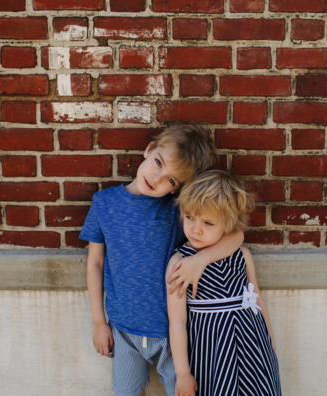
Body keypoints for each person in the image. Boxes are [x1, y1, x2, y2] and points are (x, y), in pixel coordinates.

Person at [80, 125, 243, 396]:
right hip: (123, 328)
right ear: (149, 149)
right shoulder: (104, 203)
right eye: (158, 163)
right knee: (127, 392)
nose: (157, 178)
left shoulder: (177, 210)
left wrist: (200, 260)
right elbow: (95, 262)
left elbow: (236, 235)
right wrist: (99, 321)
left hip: (172, 332)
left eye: (171, 181)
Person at [167, 170, 282, 396]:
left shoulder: (242, 256)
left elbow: (256, 300)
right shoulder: (180, 263)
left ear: (228, 224)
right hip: (213, 354)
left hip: (253, 349)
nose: (195, 229)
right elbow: (178, 321)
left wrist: (270, 343)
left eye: (208, 223)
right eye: (189, 217)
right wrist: (182, 373)